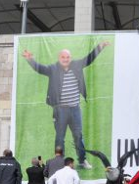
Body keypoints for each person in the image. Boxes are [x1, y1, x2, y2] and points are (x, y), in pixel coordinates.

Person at [21, 41, 111, 170]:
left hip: (75, 109)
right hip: (60, 110)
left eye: (67, 57)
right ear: (59, 58)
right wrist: (30, 59)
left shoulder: (77, 66)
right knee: (60, 137)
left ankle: (82, 160)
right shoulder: (53, 69)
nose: (65, 59)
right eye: (63, 57)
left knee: (78, 135)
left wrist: (100, 47)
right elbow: (40, 68)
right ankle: (59, 162)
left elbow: (89, 59)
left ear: (71, 58)